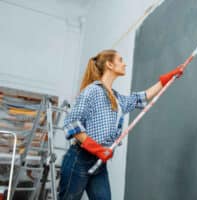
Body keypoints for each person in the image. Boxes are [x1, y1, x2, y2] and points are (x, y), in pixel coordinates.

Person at [58, 49, 183, 200]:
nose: (125, 64)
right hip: (79, 160)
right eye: (120, 60)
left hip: (99, 163)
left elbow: (141, 98)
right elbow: (72, 122)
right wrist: (96, 148)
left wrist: (166, 79)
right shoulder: (92, 91)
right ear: (110, 65)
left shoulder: (117, 98)